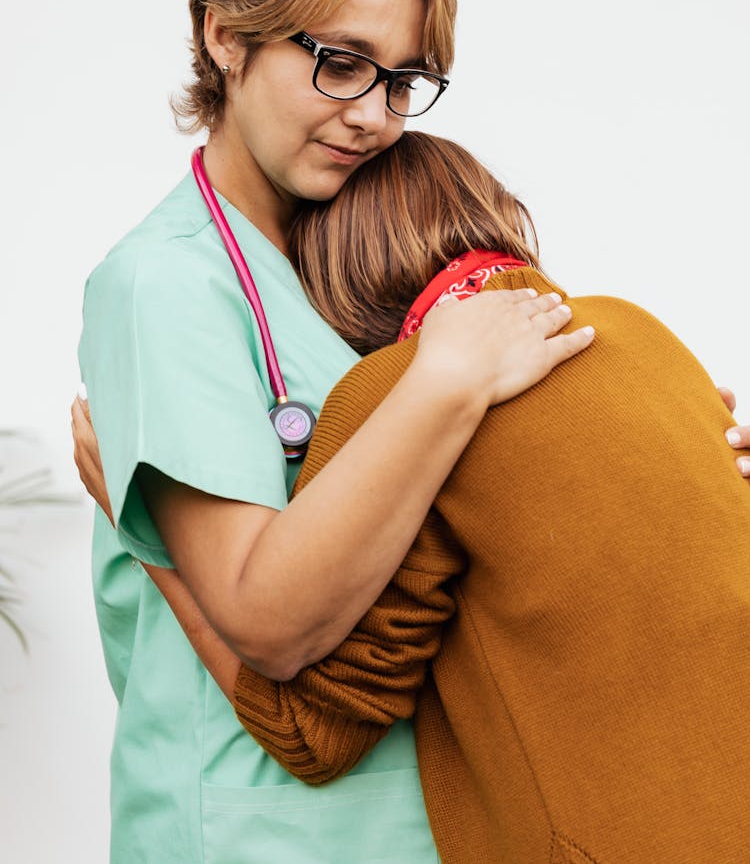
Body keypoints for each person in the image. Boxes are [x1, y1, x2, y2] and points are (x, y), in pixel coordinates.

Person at [74, 0, 596, 864]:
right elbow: (271, 623)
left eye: (400, 82)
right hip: (259, 833)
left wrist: (643, 443)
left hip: (431, 823)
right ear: (227, 37)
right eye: (342, 65)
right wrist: (449, 382)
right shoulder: (162, 288)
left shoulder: (366, 261)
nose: (376, 117)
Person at [78, 129, 750, 863]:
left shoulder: (401, 394)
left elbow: (311, 732)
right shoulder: (648, 337)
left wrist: (149, 531)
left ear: (332, 279)